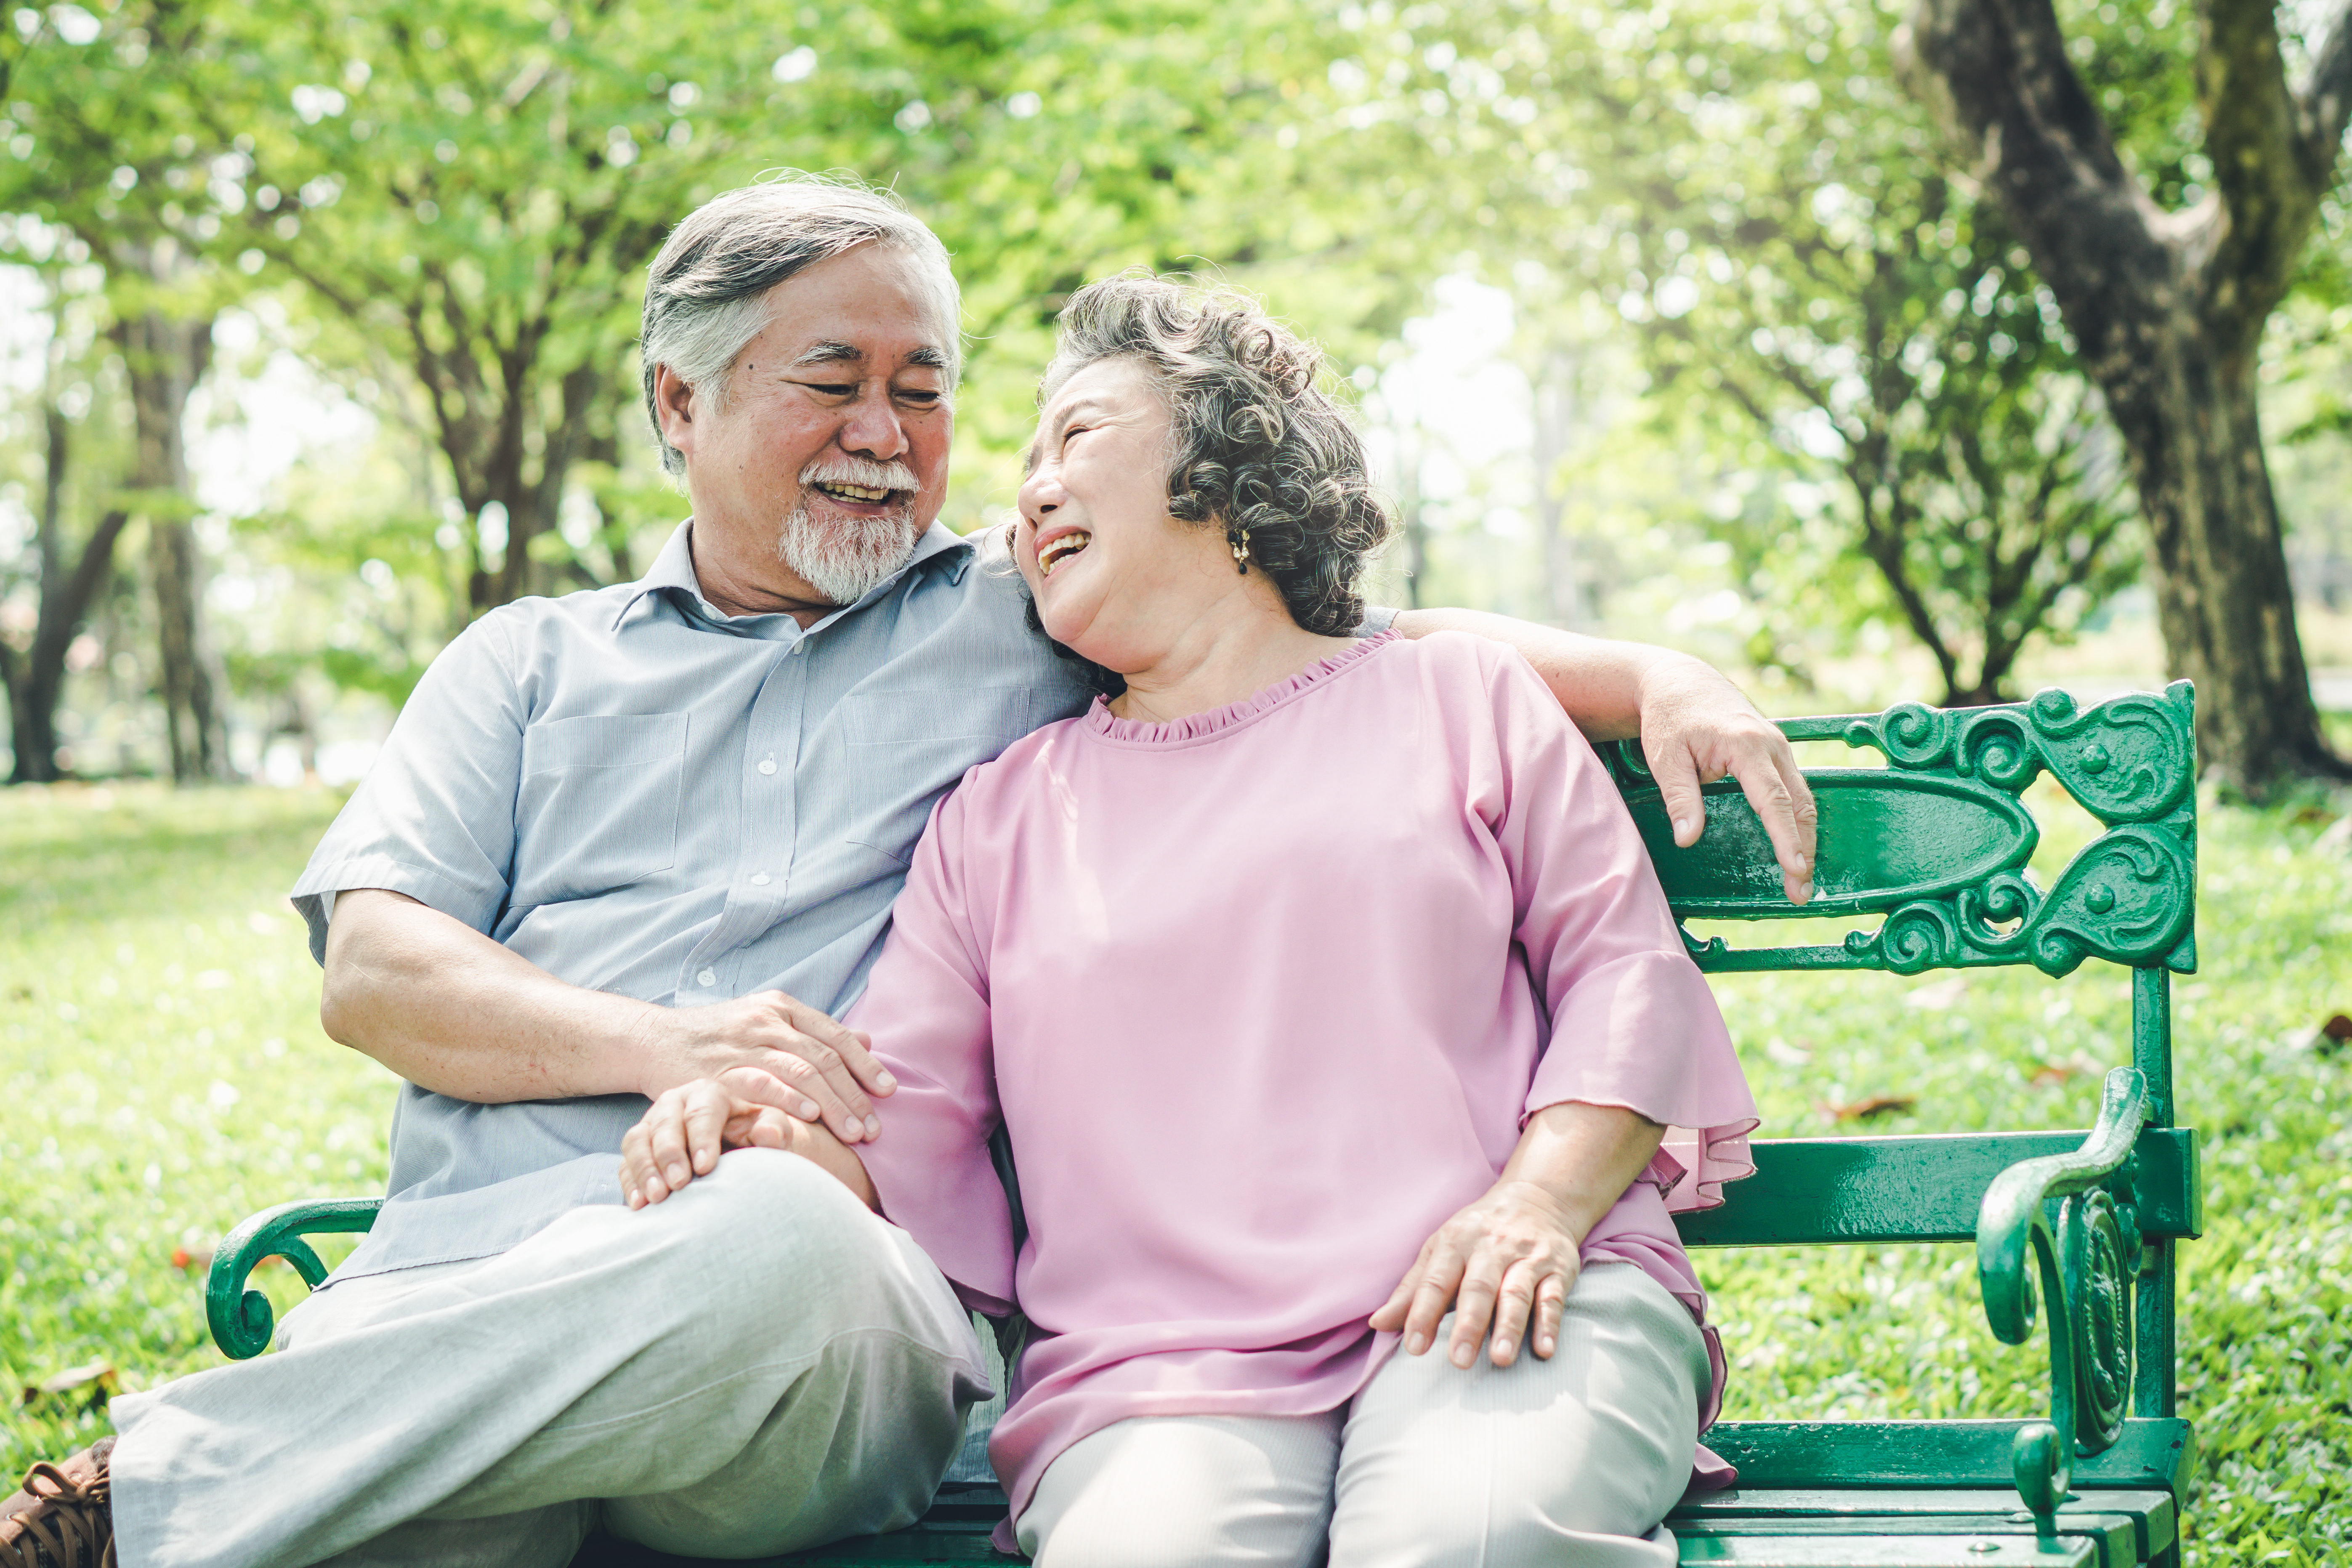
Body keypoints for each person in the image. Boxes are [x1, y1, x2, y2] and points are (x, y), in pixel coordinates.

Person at [2, 177, 1810, 1568]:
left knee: (781, 1234)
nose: (896, 432)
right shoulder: (524, 665)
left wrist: (1649, 670)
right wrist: (673, 1053)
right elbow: (375, 975)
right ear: (679, 405)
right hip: (460, 1313)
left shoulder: (1019, 613)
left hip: (806, 1331)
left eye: (927, 390)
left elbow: (1325, 636)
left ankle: (150, 1482)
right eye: (834, 381)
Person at [617, 276, 1761, 1566]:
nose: (1030, 490)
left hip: (1505, 1286)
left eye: (1079, 438)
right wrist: (754, 1124)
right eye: (1026, 464)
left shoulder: (1460, 698)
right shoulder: (997, 819)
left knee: (1469, 1540)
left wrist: (1537, 1209)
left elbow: (1623, 974)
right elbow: (906, 1109)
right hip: (1163, 1373)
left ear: (1224, 475)